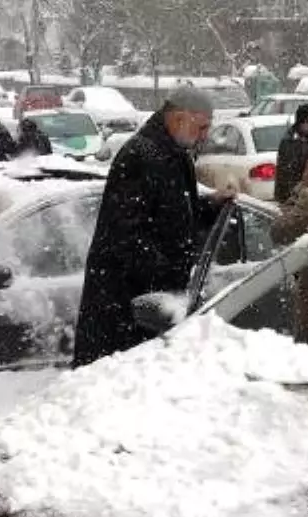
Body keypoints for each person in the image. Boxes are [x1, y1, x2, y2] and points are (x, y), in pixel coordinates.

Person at [71, 86, 232, 368]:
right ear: (180, 118)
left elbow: (179, 215)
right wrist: (167, 281)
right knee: (118, 388)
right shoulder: (141, 156)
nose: (205, 136)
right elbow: (127, 237)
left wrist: (213, 204)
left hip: (148, 304)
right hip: (125, 308)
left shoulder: (173, 154)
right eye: (202, 126)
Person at [274, 103, 308, 203]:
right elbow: (288, 173)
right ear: (305, 122)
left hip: (303, 191)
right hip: (290, 196)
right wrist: (293, 196)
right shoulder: (290, 142)